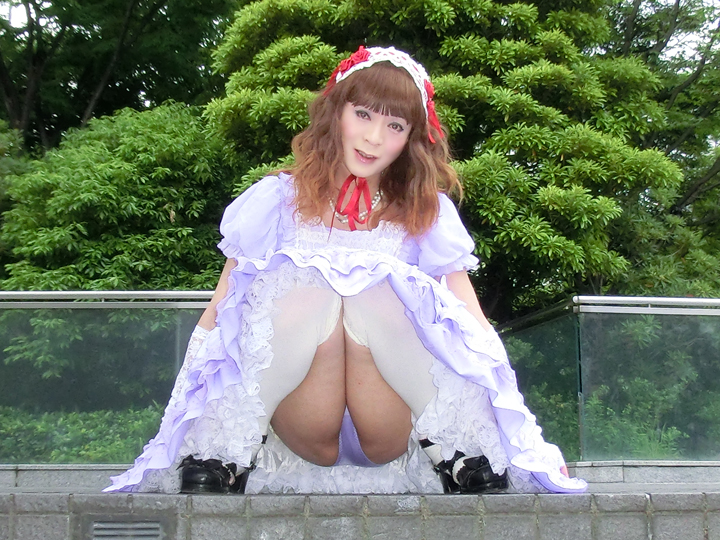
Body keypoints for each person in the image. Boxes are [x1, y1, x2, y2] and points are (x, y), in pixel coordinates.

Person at [104, 46, 587, 495]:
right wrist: (181, 427)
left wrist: (528, 439)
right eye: (363, 114)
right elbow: (219, 312)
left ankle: (461, 452)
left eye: (395, 125)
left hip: (392, 423)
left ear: (412, 139)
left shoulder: (426, 212)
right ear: (336, 111)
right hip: (303, 421)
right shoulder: (275, 201)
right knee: (304, 284)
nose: (375, 137)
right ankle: (221, 452)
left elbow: (472, 324)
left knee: (380, 286)